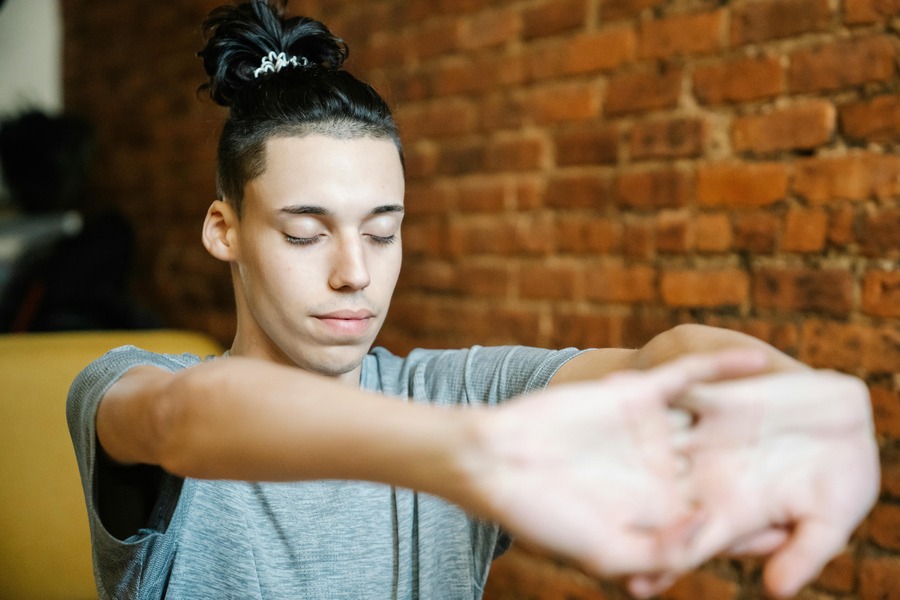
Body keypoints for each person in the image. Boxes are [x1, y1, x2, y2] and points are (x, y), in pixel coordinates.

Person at [66, 2, 880, 599]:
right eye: (306, 232)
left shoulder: (460, 394)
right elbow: (190, 417)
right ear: (224, 230)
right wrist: (470, 455)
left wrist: (778, 390)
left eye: (383, 233)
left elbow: (659, 362)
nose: (356, 273)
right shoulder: (125, 381)